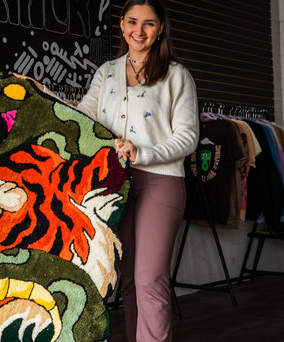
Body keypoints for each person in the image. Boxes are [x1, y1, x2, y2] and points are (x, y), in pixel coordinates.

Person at [20, 0, 198, 340]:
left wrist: (143, 153)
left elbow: (188, 137)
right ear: (121, 24)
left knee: (149, 279)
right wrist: (40, 91)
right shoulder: (107, 72)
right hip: (115, 184)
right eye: (133, 21)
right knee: (127, 279)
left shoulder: (177, 75)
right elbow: (83, 116)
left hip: (161, 183)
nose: (139, 31)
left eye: (148, 24)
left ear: (160, 28)